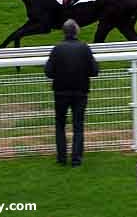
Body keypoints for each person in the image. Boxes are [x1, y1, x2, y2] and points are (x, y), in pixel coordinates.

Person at [44, 19, 99, 166]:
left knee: (60, 125)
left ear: (64, 32)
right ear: (77, 31)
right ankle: (76, 159)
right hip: (80, 92)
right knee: (78, 126)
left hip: (60, 92)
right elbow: (94, 71)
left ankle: (61, 158)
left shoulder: (57, 49)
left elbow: (48, 72)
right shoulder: (84, 48)